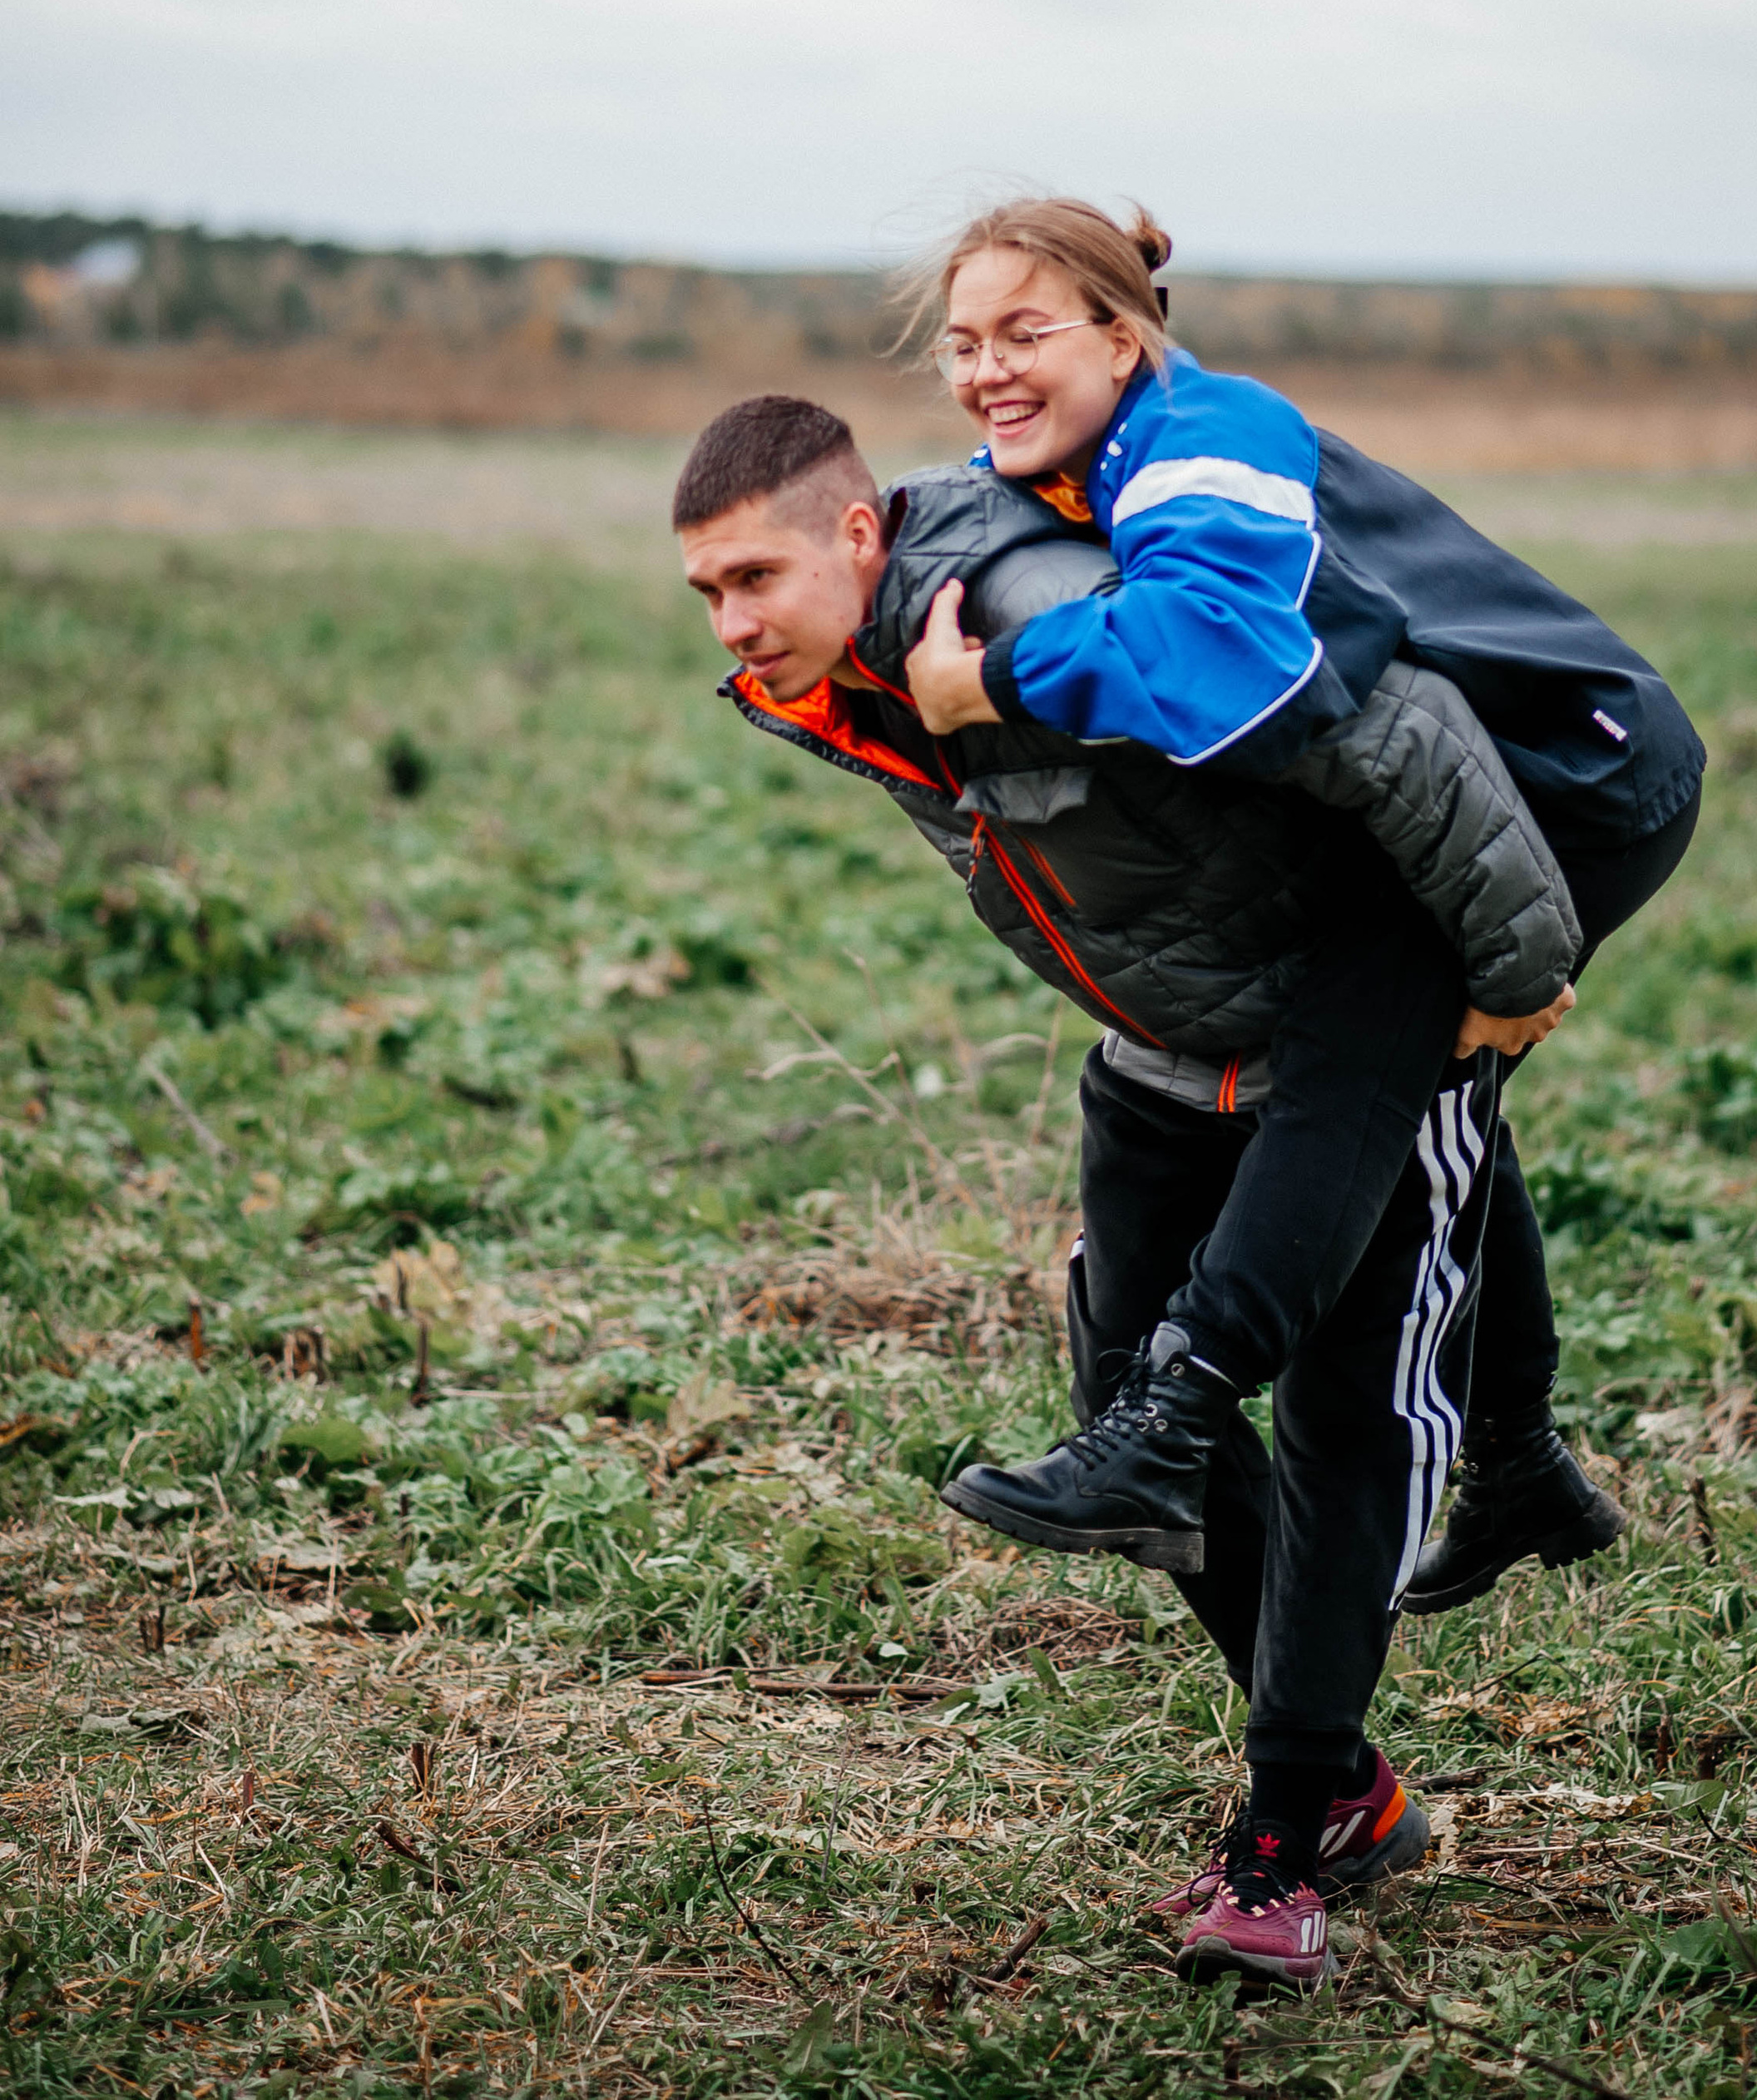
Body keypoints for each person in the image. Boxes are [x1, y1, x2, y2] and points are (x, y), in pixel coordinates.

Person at [674, 392, 1588, 1986]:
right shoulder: (841, 677)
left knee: (1345, 1424)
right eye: (706, 594)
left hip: (1345, 1034)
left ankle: (1281, 1839)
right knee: (1132, 1411)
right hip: (1168, 1049)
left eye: (756, 578)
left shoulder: (1027, 610)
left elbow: (1396, 728)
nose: (734, 625)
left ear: (859, 534)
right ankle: (1357, 1788)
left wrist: (1510, 980)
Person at [893, 201, 1703, 1654]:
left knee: (1356, 1076)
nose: (986, 373)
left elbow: (1212, 646)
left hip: (1572, 779)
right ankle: (1519, 1459)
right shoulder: (1062, 468)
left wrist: (996, 680)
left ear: (1126, 333)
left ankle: (1190, 1418)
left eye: (1027, 334)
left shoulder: (1215, 435)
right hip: (1435, 801)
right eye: (961, 345)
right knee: (1426, 1091)